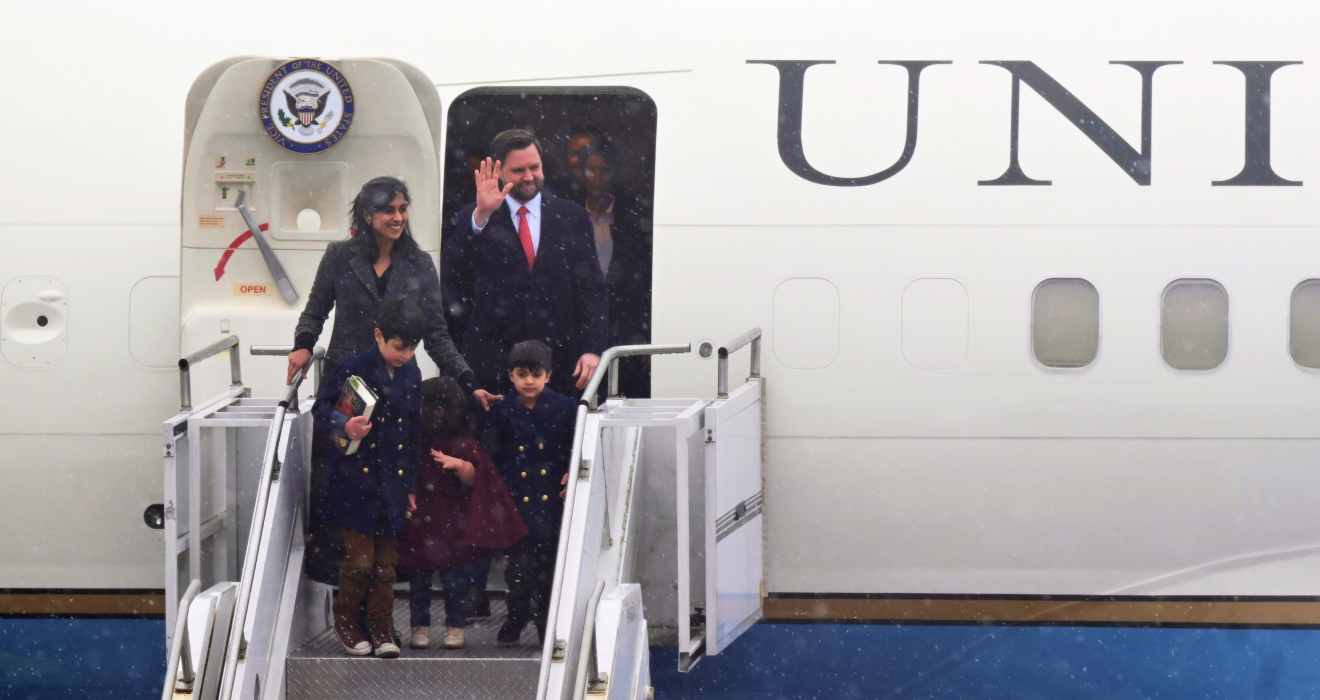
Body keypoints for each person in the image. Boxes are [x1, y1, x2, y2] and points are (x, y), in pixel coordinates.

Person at [289, 176, 498, 583]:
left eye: (403, 209)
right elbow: (315, 311)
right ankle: (337, 583)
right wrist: (302, 345)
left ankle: (389, 586)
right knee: (342, 482)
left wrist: (467, 379)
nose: (399, 217)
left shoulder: (419, 263)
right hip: (348, 384)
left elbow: (437, 334)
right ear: (367, 215)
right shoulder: (338, 256)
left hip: (399, 388)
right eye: (390, 210)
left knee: (392, 484)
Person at [443, 129, 609, 400]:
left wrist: (592, 350)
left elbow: (592, 291)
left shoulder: (573, 217)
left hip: (559, 366)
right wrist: (482, 215)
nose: (529, 176)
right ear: (499, 172)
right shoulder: (475, 216)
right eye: (519, 170)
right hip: (493, 368)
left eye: (535, 167)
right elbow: (452, 273)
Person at [311, 297, 426, 659]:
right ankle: (347, 620)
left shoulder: (412, 374)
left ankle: (380, 624)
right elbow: (320, 407)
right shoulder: (352, 367)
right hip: (355, 483)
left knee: (386, 565)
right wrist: (343, 424)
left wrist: (410, 485)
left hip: (392, 483)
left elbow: (412, 432)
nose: (405, 355)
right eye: (398, 347)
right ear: (378, 336)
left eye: (412, 348)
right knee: (359, 562)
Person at [398, 377, 528, 650]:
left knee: (454, 584)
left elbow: (478, 478)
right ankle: (419, 626)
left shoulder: (463, 444)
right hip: (423, 528)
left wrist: (459, 465)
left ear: (439, 411)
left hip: (449, 529)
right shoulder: (417, 442)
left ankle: (455, 627)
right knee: (419, 582)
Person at [483, 341, 577, 645]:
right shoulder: (501, 410)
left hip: (553, 502)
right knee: (518, 572)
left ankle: (546, 625)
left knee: (550, 572)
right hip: (517, 503)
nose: (528, 381)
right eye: (521, 374)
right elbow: (493, 456)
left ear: (548, 375)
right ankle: (516, 616)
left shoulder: (566, 407)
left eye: (536, 374)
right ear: (510, 375)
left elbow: (578, 448)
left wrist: (570, 474)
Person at [565, 131, 653, 398]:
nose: (599, 178)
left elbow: (647, 280)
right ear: (581, 172)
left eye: (606, 170)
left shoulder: (636, 215)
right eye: (592, 170)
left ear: (616, 172)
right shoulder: (567, 214)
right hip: (577, 326)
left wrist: (647, 334)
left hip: (625, 327)